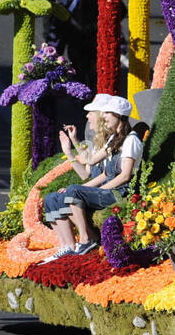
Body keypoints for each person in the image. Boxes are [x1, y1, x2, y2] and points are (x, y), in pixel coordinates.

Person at [41, 94, 144, 260]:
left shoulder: (131, 141)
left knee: (74, 191)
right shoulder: (113, 139)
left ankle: (86, 239)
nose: (104, 117)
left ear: (119, 116)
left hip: (119, 193)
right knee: (54, 197)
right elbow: (91, 160)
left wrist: (98, 190)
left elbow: (125, 176)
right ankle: (68, 246)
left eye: (107, 113)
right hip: (109, 191)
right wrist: (74, 141)